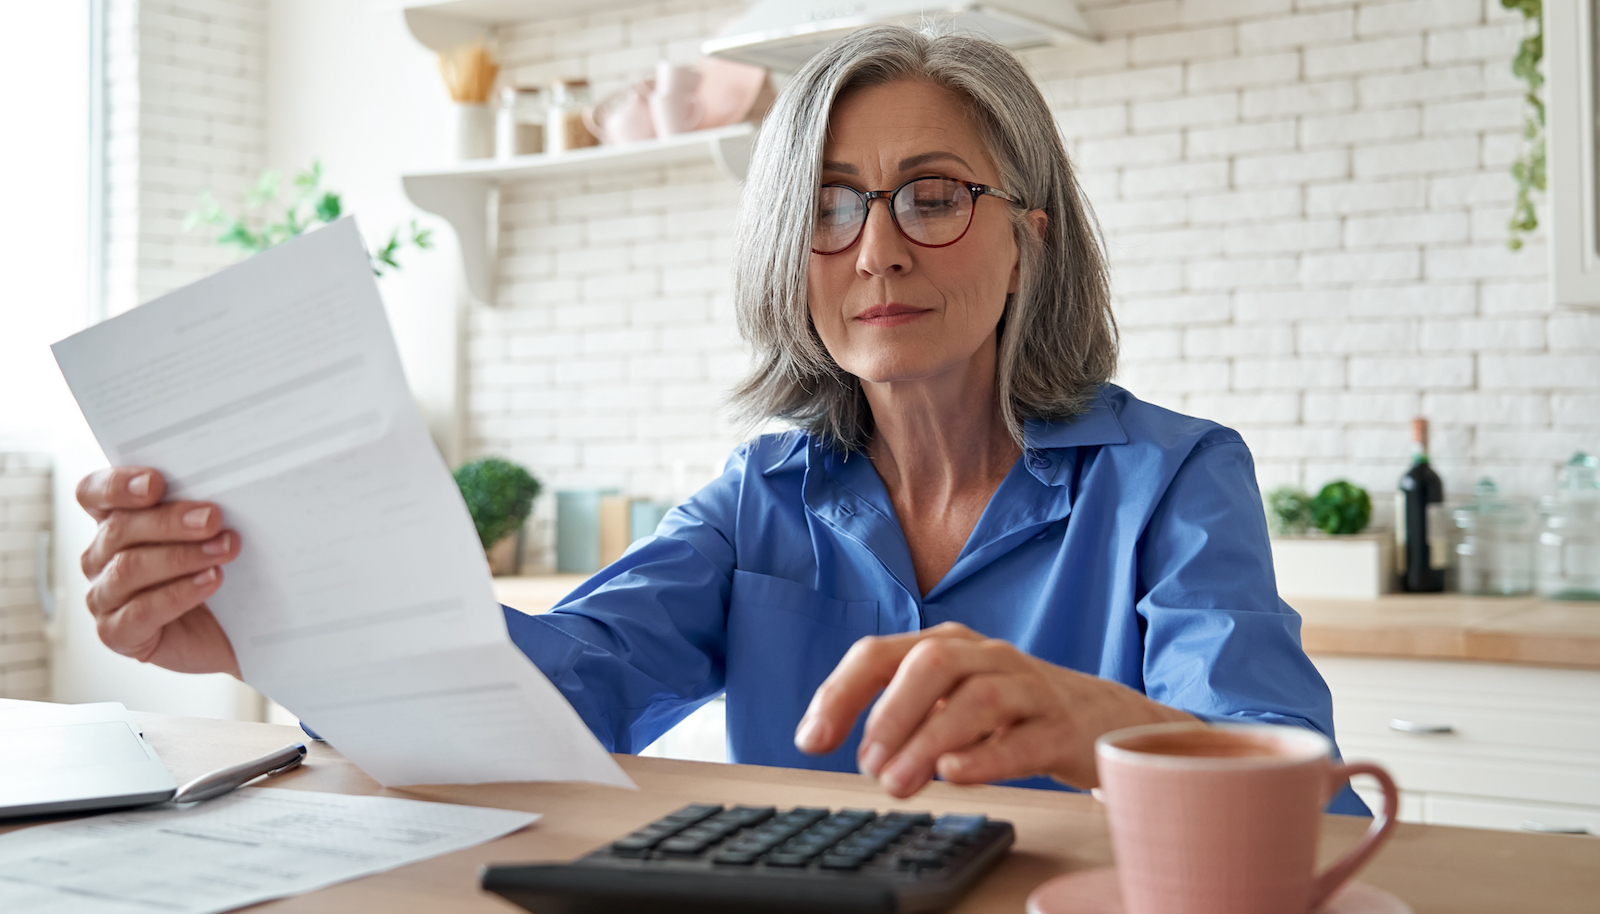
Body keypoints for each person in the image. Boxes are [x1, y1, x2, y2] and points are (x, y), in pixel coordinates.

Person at [73, 26, 1367, 813]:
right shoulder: (763, 497)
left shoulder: (1174, 479)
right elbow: (556, 692)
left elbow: (1297, 780)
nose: (875, 251)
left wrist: (1091, 722)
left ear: (1027, 239)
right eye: (829, 204)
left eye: (930, 196)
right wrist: (272, 623)